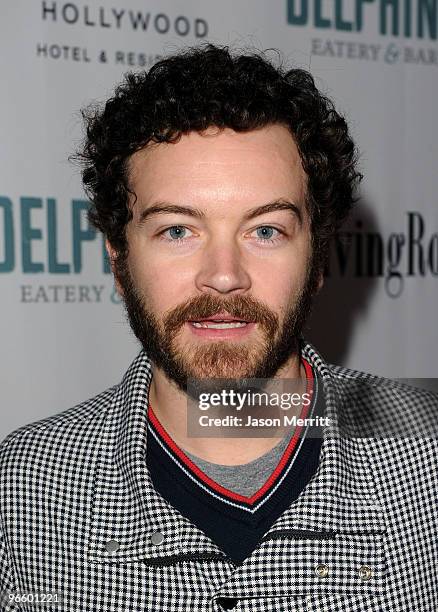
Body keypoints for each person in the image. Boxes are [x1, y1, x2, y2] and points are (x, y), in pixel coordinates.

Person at [0, 44, 436, 612]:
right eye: (178, 231)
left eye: (266, 231)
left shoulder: (428, 469)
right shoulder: (21, 489)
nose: (224, 277)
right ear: (118, 260)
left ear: (319, 258)